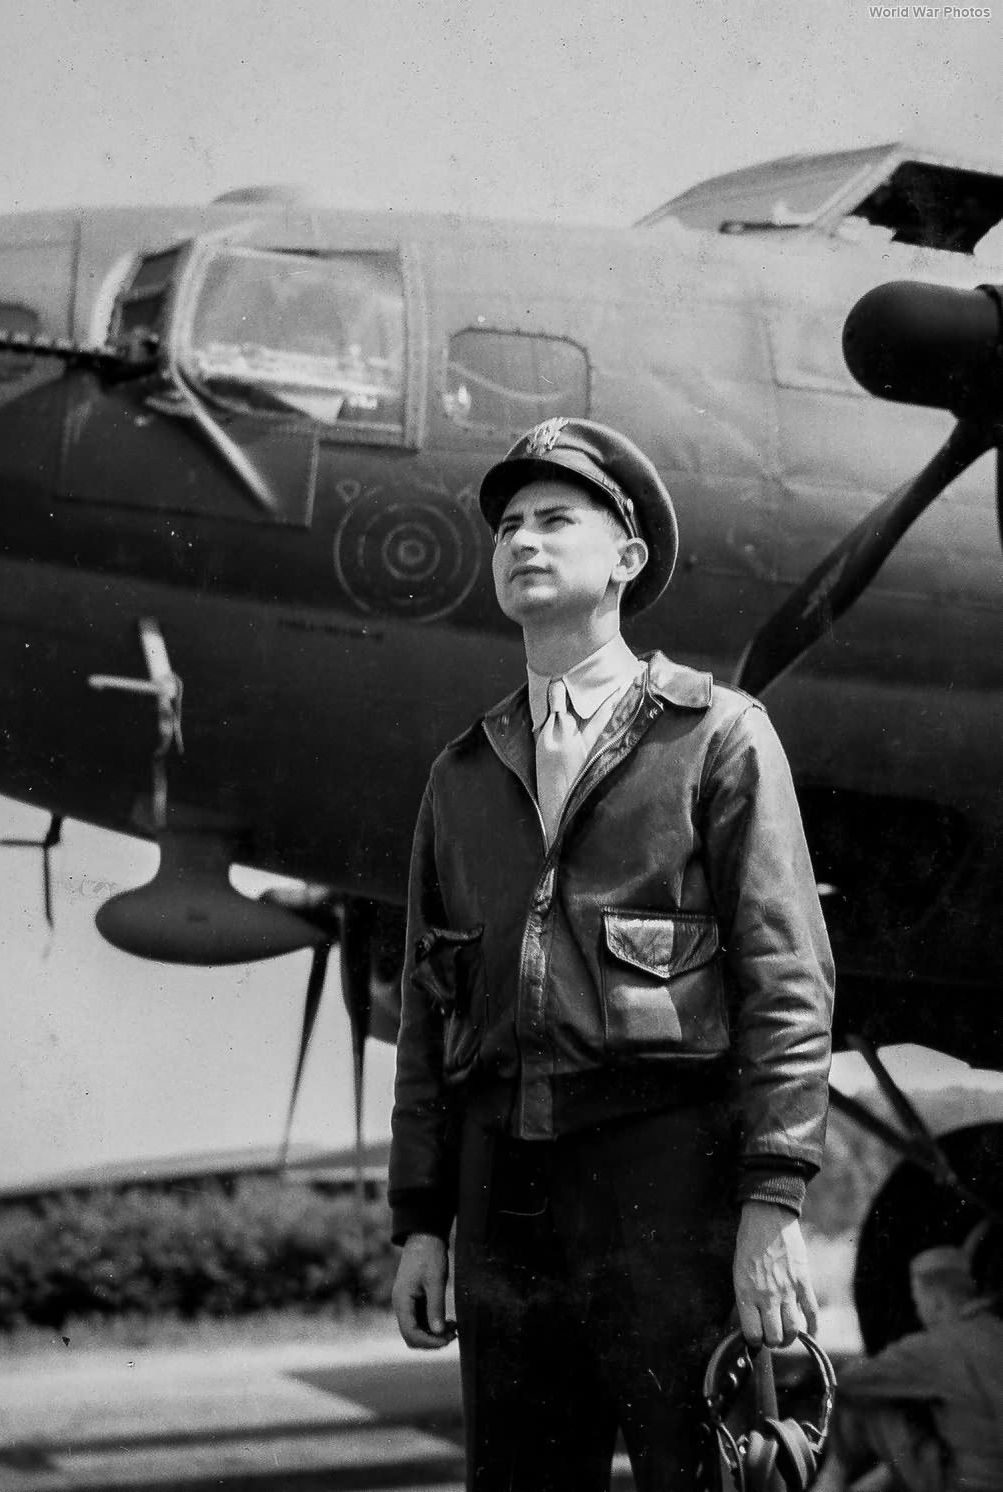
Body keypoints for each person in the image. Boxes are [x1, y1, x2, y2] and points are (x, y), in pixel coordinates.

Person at [387, 417, 835, 1491]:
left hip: (665, 1177)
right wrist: (420, 1221)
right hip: (503, 1194)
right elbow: (427, 1010)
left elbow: (786, 982)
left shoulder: (719, 737)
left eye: (555, 519)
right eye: (507, 526)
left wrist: (771, 1204)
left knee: (699, 1474)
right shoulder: (460, 775)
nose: (522, 541)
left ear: (627, 558)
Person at [821, 1227, 1003, 1492]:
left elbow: (848, 1380)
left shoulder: (935, 1347)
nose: (919, 1314)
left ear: (937, 1302)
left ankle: (830, 1482)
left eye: (919, 1304)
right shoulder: (995, 1329)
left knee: (864, 1400)